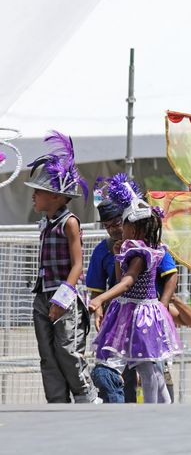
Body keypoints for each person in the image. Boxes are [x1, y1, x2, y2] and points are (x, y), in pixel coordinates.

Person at [88, 175, 182, 404]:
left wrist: (101, 300)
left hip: (141, 314)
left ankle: (152, 412)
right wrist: (119, 257)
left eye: (123, 223)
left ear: (135, 227)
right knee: (147, 366)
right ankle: (163, 408)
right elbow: (122, 276)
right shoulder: (131, 249)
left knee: (149, 369)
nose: (118, 228)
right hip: (129, 312)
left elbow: (127, 282)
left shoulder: (142, 252)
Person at [25, 131, 100, 404]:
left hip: (64, 296)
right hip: (43, 294)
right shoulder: (45, 223)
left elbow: (78, 264)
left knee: (67, 349)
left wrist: (62, 298)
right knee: (47, 352)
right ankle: (57, 401)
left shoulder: (70, 222)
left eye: (39, 192)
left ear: (57, 197)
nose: (33, 196)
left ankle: (85, 396)